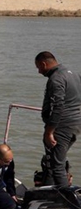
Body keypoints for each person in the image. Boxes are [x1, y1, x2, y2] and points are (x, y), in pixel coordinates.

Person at [35, 51, 81, 186]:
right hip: (75, 124)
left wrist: (49, 132)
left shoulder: (56, 78)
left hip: (61, 126)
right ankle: (50, 194)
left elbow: (58, 107)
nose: (39, 71)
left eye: (38, 67)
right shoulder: (74, 74)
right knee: (52, 163)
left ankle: (65, 201)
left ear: (44, 64)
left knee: (57, 166)